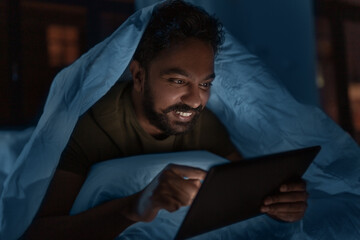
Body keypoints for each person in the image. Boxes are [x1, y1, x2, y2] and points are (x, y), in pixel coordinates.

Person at [22, 1, 308, 239]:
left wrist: (281, 204)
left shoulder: (203, 123)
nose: (195, 100)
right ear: (139, 76)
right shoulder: (90, 127)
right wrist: (133, 207)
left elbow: (242, 190)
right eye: (178, 80)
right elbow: (37, 233)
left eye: (205, 84)